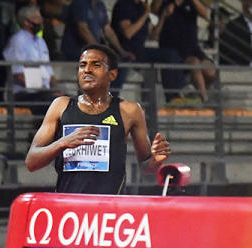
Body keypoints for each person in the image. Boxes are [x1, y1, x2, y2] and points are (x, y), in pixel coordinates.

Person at [25, 44, 172, 194]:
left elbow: (146, 167)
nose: (87, 70)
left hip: (110, 208)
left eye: (96, 65)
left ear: (112, 75)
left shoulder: (130, 110)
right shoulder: (60, 106)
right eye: (82, 65)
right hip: (69, 206)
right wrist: (63, 143)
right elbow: (31, 162)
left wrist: (156, 161)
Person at [111, 0, 185, 103]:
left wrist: (163, 17)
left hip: (140, 51)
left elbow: (153, 36)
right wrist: (146, 14)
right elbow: (128, 32)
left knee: (171, 55)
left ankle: (173, 96)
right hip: (126, 51)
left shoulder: (142, 7)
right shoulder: (123, 5)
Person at [3, 6, 62, 118]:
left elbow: (49, 72)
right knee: (53, 104)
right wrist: (41, 88)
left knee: (69, 100)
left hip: (43, 92)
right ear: (26, 22)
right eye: (36, 18)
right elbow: (18, 74)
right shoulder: (17, 41)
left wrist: (56, 90)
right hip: (24, 93)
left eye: (40, 17)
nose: (40, 21)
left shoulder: (41, 41)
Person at [152, 0, 216, 102]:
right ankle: (205, 100)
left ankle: (195, 93)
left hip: (193, 47)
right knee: (194, 62)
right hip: (173, 47)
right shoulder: (165, 4)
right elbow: (154, 9)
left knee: (211, 72)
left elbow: (205, 13)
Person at [60, 0, 133, 72]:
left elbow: (108, 30)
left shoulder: (100, 5)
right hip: (76, 51)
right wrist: (99, 49)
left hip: (92, 52)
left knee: (122, 65)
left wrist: (122, 52)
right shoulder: (80, 3)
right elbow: (83, 29)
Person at [220, 0, 252, 67]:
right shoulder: (234, 25)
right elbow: (229, 50)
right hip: (242, 69)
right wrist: (251, 54)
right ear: (244, 2)